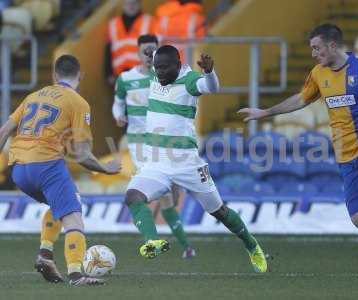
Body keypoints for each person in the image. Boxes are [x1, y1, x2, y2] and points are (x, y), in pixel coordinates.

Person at [238, 23, 358, 278]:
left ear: (332, 45)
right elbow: (300, 99)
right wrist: (265, 112)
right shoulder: (318, 74)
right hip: (346, 157)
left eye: (317, 48)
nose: (313, 54)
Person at [123, 45, 267, 273]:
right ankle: (152, 241)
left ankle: (252, 245)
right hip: (156, 163)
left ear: (178, 65)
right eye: (157, 68)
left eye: (164, 68)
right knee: (133, 196)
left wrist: (210, 73)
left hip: (186, 163)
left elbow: (210, 87)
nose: (159, 73)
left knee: (218, 210)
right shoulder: (155, 75)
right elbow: (152, 61)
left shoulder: (189, 80)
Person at [0, 55, 121, 286]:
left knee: (62, 204)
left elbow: (4, 130)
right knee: (73, 215)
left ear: (55, 75)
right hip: (46, 164)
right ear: (81, 76)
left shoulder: (33, 96)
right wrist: (105, 169)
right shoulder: (78, 103)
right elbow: (83, 155)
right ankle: (76, 274)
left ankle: (45, 254)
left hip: (18, 169)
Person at [112, 34, 195, 259]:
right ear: (138, 54)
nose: (149, 56)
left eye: (153, 51)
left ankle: (184, 247)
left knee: (167, 199)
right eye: (145, 52)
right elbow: (117, 104)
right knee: (159, 191)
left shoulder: (164, 78)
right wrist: (119, 116)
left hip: (162, 141)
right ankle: (155, 240)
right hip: (140, 142)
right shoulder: (125, 79)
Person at [106, 0, 156, 85]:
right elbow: (108, 51)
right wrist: (109, 73)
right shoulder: (113, 24)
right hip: (119, 76)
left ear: (140, 4)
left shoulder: (150, 21)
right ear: (122, 4)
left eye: (134, 3)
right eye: (127, 3)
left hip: (143, 75)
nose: (131, 6)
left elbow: (156, 49)